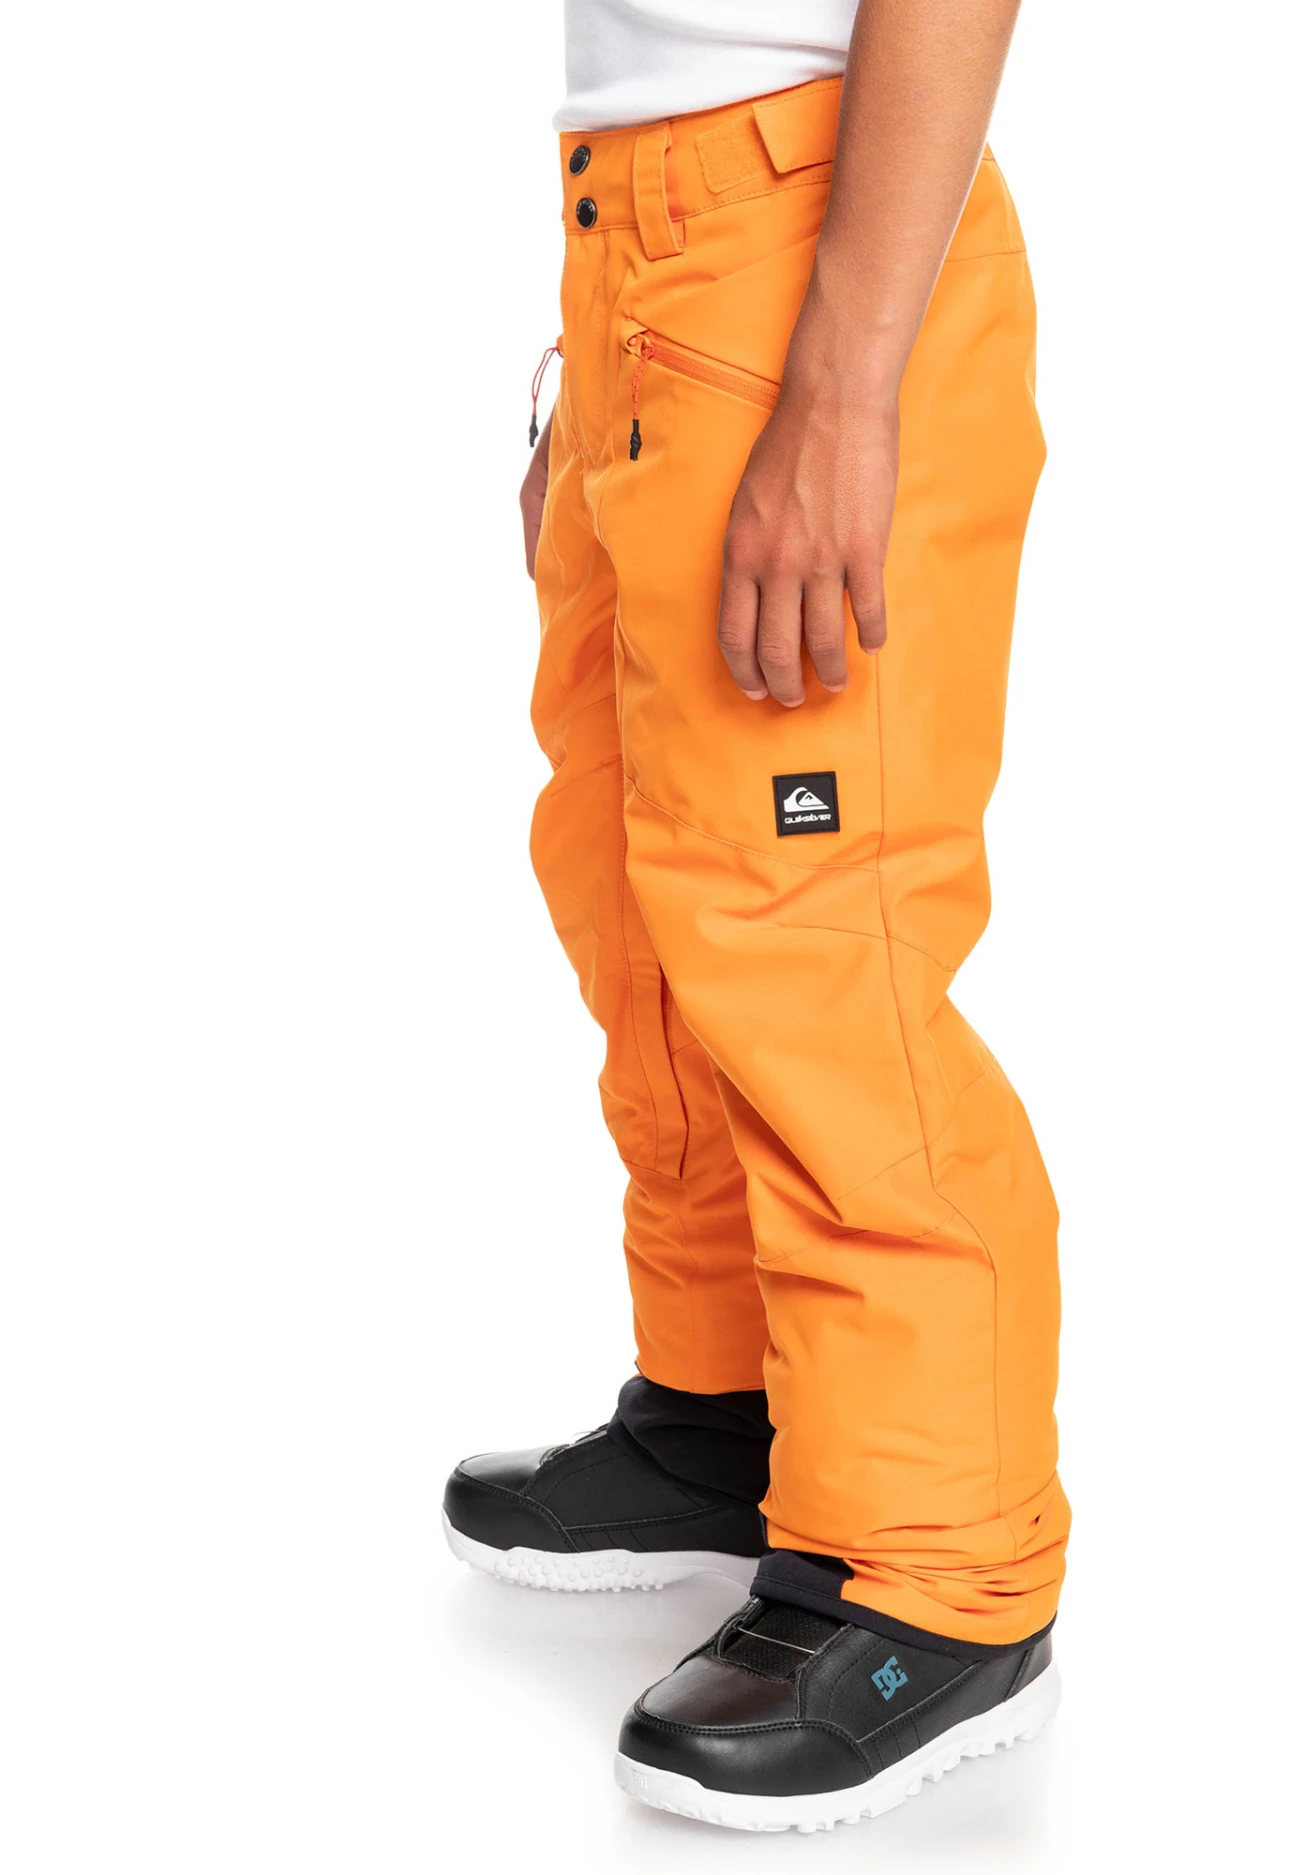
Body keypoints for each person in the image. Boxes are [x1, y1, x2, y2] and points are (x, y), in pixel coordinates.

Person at [442, 0, 1069, 1831]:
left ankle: (942, 1562)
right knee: (639, 879)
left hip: (816, 237)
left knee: (815, 935)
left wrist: (843, 386)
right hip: (653, 244)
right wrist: (605, 376)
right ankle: (737, 1407)